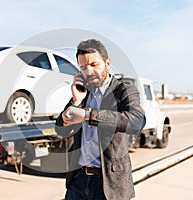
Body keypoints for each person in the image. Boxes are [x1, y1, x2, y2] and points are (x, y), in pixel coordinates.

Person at [55, 39, 146, 200]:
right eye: (83, 67)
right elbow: (61, 130)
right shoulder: (83, 94)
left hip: (109, 185)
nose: (88, 71)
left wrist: (88, 115)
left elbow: (136, 122)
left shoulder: (123, 90)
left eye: (94, 65)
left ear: (107, 63)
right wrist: (76, 101)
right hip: (78, 181)